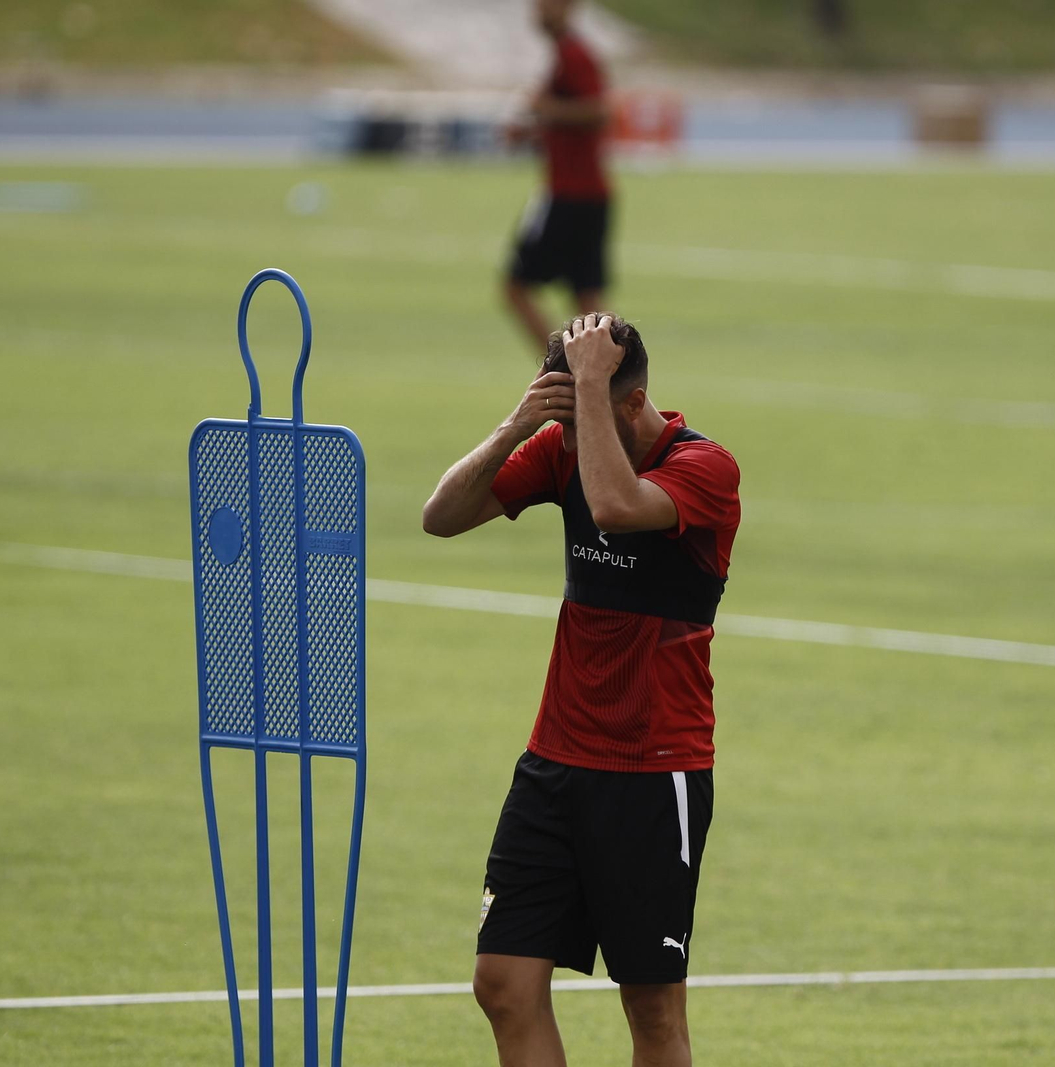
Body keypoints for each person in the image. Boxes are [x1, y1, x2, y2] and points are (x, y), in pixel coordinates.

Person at [422, 314, 741, 1067]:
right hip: (555, 763)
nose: (565, 440)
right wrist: (519, 423)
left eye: (587, 410)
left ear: (632, 402)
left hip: (652, 772)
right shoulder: (565, 443)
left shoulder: (706, 468)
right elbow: (441, 517)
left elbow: (615, 506)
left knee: (653, 1011)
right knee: (501, 982)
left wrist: (589, 390)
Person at [503, 0, 612, 353]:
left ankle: (564, 372)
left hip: (569, 193)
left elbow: (598, 111)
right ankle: (609, 383)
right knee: (588, 301)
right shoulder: (565, 55)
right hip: (588, 193)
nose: (538, 10)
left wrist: (544, 109)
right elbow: (573, 126)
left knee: (515, 288)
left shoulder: (576, 56)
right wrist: (534, 133)